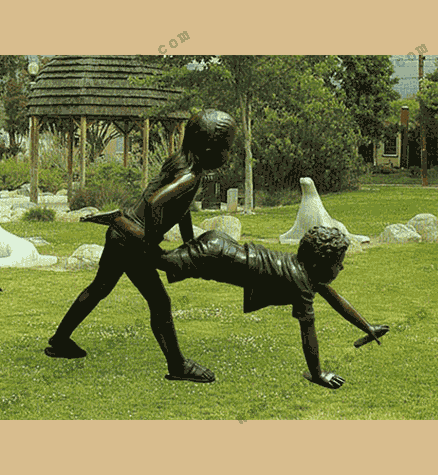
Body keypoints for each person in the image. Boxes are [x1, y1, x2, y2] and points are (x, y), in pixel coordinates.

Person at [45, 109, 237, 384]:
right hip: (132, 240)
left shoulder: (181, 163)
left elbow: (181, 209)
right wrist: (150, 244)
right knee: (159, 302)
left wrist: (188, 244)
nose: (228, 153)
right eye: (227, 147)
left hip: (121, 235)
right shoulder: (190, 176)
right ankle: (177, 365)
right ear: (209, 149)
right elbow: (156, 202)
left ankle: (59, 341)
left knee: (99, 288)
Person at [155, 226, 390, 389]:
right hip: (216, 255)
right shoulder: (301, 283)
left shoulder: (306, 271)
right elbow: (308, 331)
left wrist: (367, 327)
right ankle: (130, 229)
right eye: (339, 264)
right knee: (156, 258)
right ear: (319, 264)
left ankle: (133, 234)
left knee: (155, 258)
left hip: (220, 245)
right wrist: (317, 374)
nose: (342, 268)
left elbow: (334, 297)